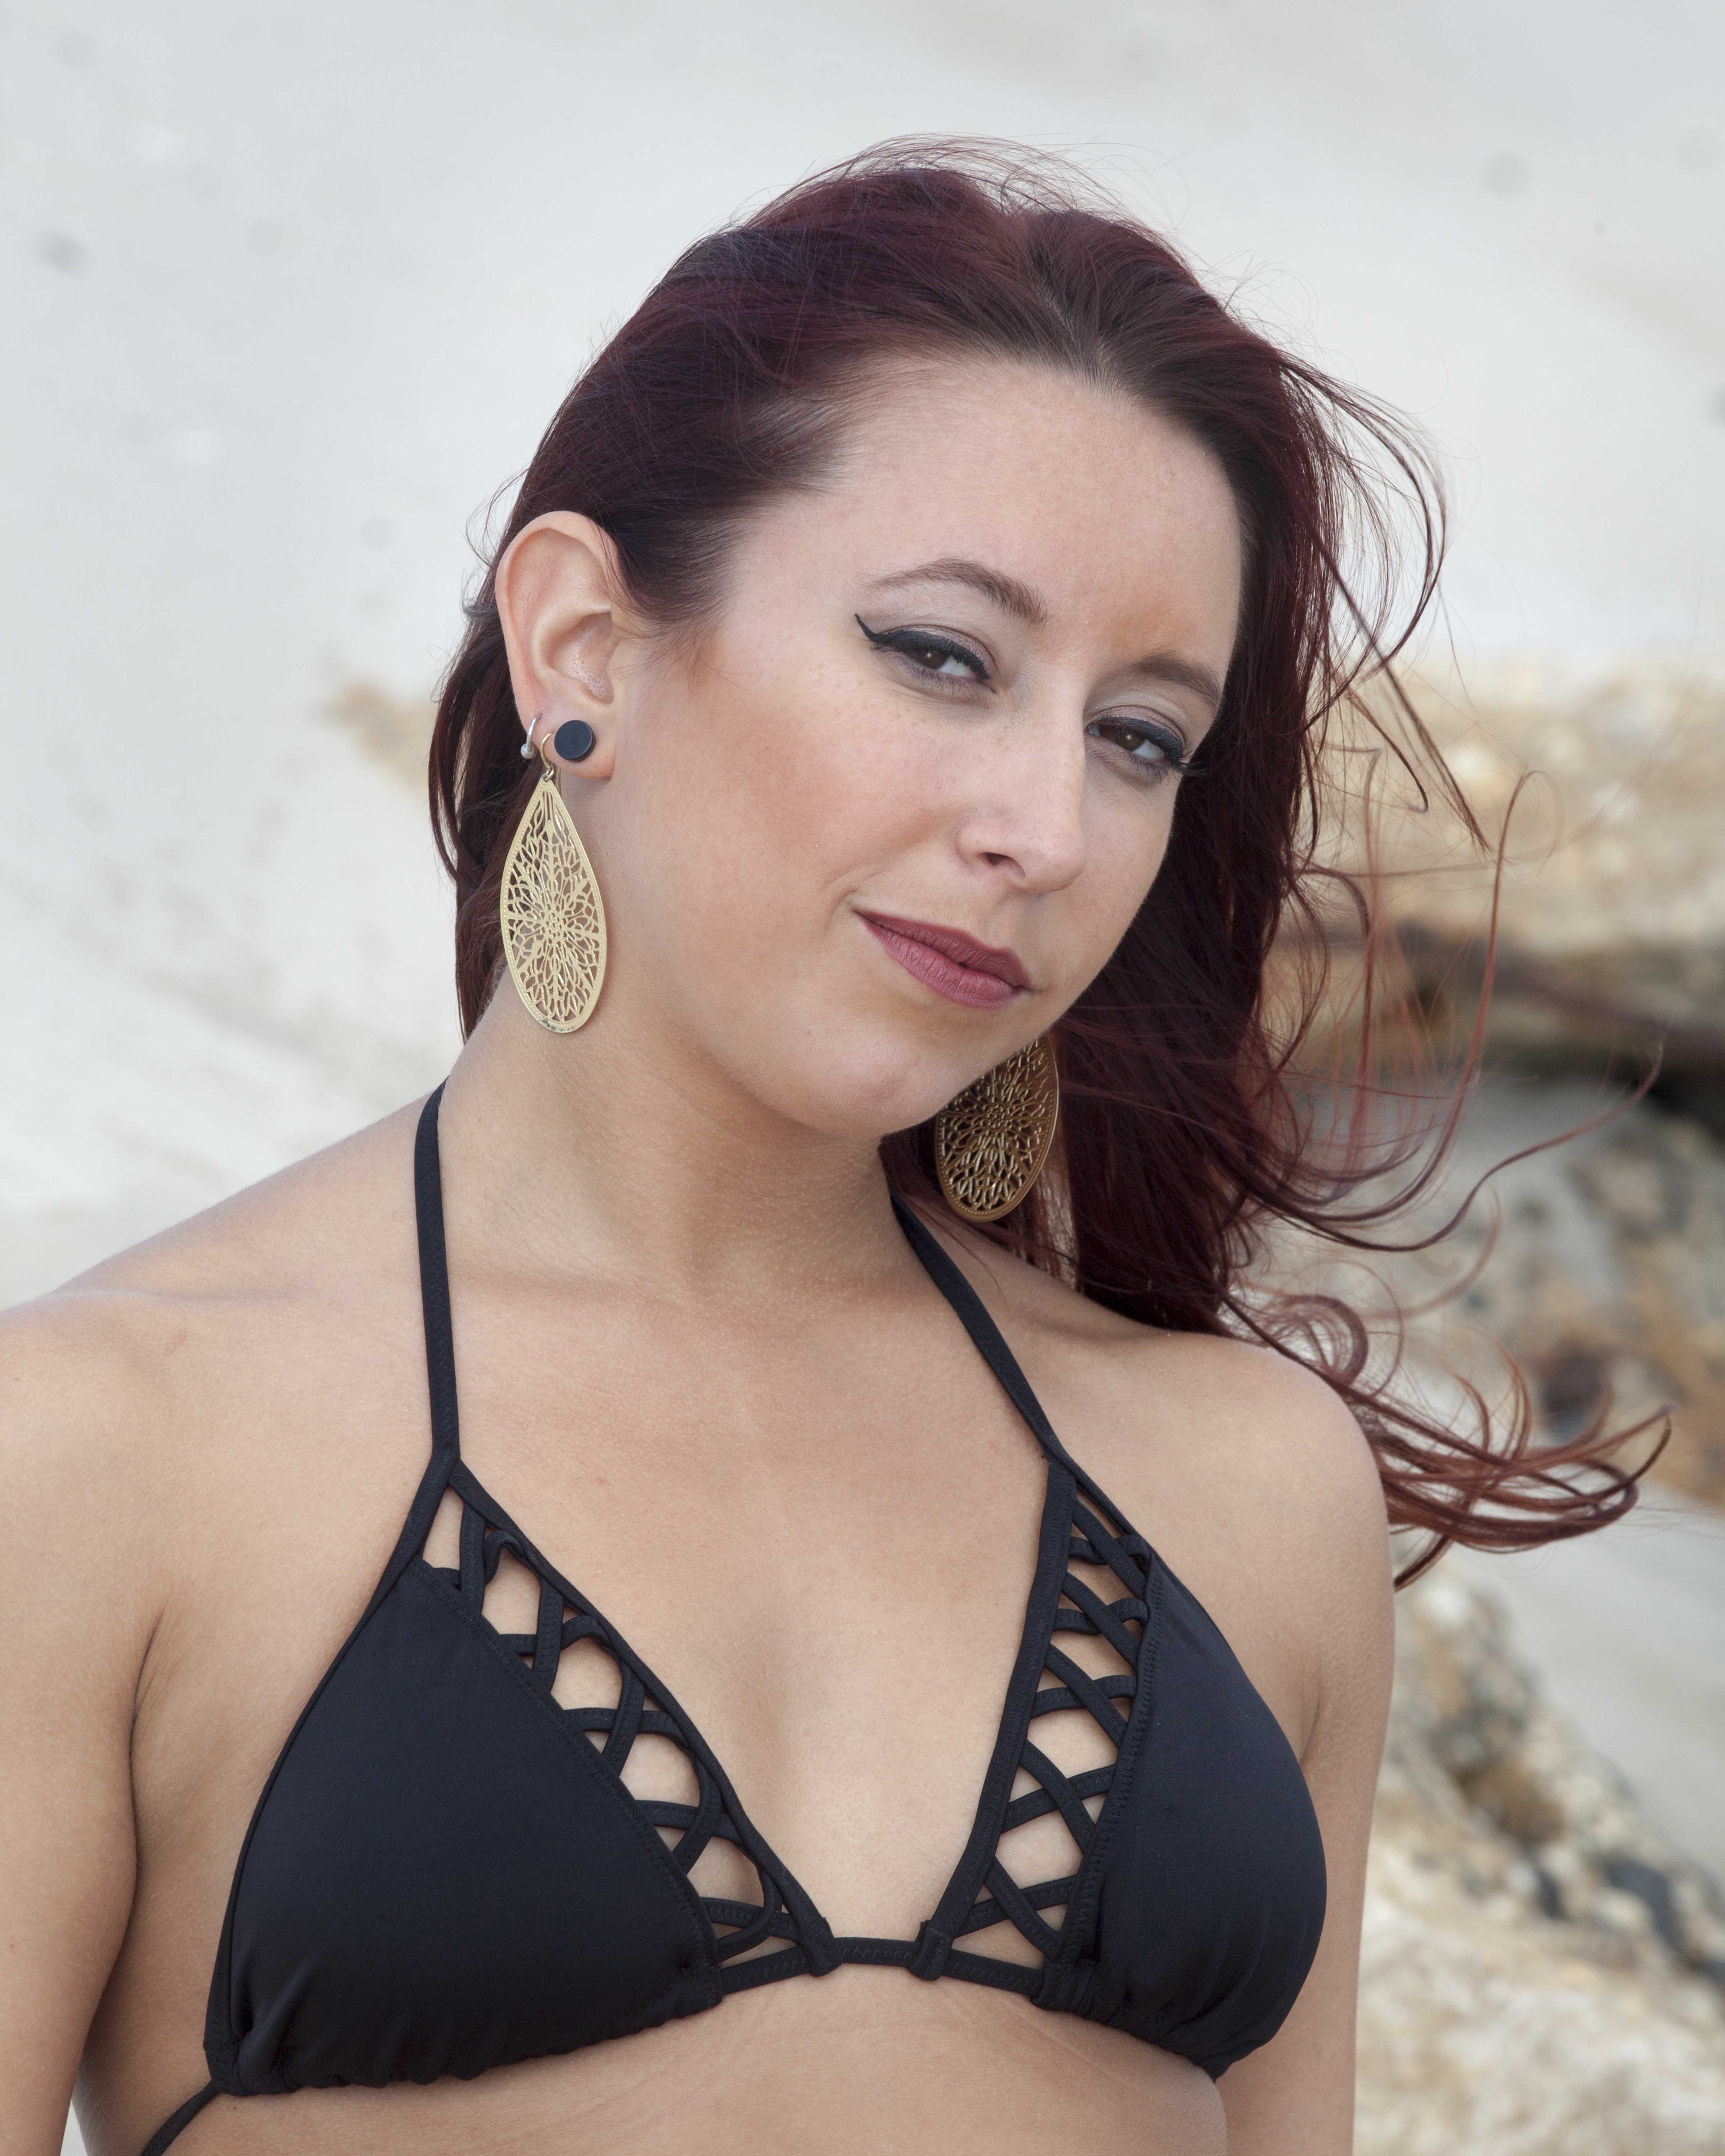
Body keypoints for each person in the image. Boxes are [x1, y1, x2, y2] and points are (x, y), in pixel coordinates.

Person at [3, 143, 1644, 2156]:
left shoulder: (1245, 1487)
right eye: (943, 656)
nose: (1046, 828)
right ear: (583, 645)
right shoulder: (106, 1455)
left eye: (1140, 736)